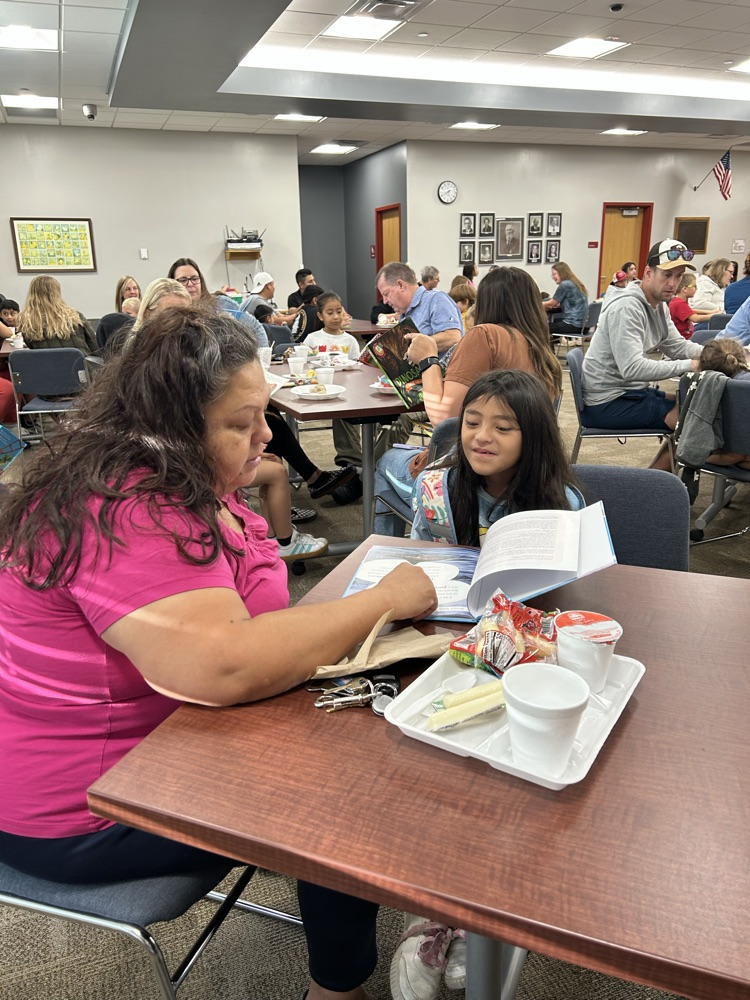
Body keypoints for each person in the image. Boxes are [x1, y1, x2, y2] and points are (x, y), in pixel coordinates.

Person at [0, 306, 437, 1000]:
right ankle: (337, 989)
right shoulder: (123, 507)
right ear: (172, 424)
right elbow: (222, 665)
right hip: (85, 811)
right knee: (341, 794)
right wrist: (384, 600)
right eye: (242, 422)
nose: (265, 436)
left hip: (151, 748)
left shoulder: (169, 476)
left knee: (347, 726)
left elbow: (243, 620)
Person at [390, 369, 583, 1000]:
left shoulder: (561, 503)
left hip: (526, 656)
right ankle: (433, 911)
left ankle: (481, 912)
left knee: (509, 779)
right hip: (446, 646)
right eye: (472, 421)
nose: (482, 436)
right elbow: (424, 570)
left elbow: (565, 594)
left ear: (533, 437)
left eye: (503, 426)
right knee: (434, 773)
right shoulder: (438, 489)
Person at [375, 267, 562, 535]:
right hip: (524, 475)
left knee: (384, 461)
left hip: (471, 476)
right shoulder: (545, 355)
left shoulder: (485, 335)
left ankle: (386, 554)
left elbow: (444, 418)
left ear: (485, 302)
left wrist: (428, 360)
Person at [581, 239, 703, 471]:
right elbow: (633, 368)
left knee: (691, 405)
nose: (673, 283)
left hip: (627, 390)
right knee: (691, 420)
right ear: (648, 272)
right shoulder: (628, 307)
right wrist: (692, 365)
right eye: (667, 275)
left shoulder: (659, 304)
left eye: (678, 277)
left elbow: (676, 345)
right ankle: (652, 491)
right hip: (606, 401)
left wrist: (715, 354)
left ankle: (654, 481)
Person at [168, 257, 269, 347]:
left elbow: (255, 327)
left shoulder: (222, 304)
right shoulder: (169, 316)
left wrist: (263, 360)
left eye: (194, 278)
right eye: (183, 280)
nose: (190, 284)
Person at [17, 275, 97, 354]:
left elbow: (33, 349)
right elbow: (95, 345)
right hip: (82, 364)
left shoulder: (27, 322)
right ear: (57, 292)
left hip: (48, 366)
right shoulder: (75, 316)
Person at [303, 291, 360, 359]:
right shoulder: (311, 339)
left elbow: (356, 364)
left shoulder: (350, 340)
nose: (336, 317)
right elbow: (305, 363)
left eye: (339, 312)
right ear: (320, 316)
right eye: (330, 313)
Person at [668, 273, 721, 339]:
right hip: (684, 338)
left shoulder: (677, 301)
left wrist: (709, 312)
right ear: (685, 289)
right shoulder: (679, 303)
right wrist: (715, 316)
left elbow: (689, 311)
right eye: (694, 286)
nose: (697, 289)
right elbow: (696, 319)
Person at [543, 262, 588, 339]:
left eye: (554, 274)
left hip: (572, 325)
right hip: (584, 326)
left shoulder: (565, 284)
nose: (553, 277)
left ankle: (546, 350)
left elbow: (551, 304)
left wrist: (534, 303)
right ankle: (551, 349)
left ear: (562, 273)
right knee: (550, 326)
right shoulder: (576, 283)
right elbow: (571, 303)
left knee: (540, 328)